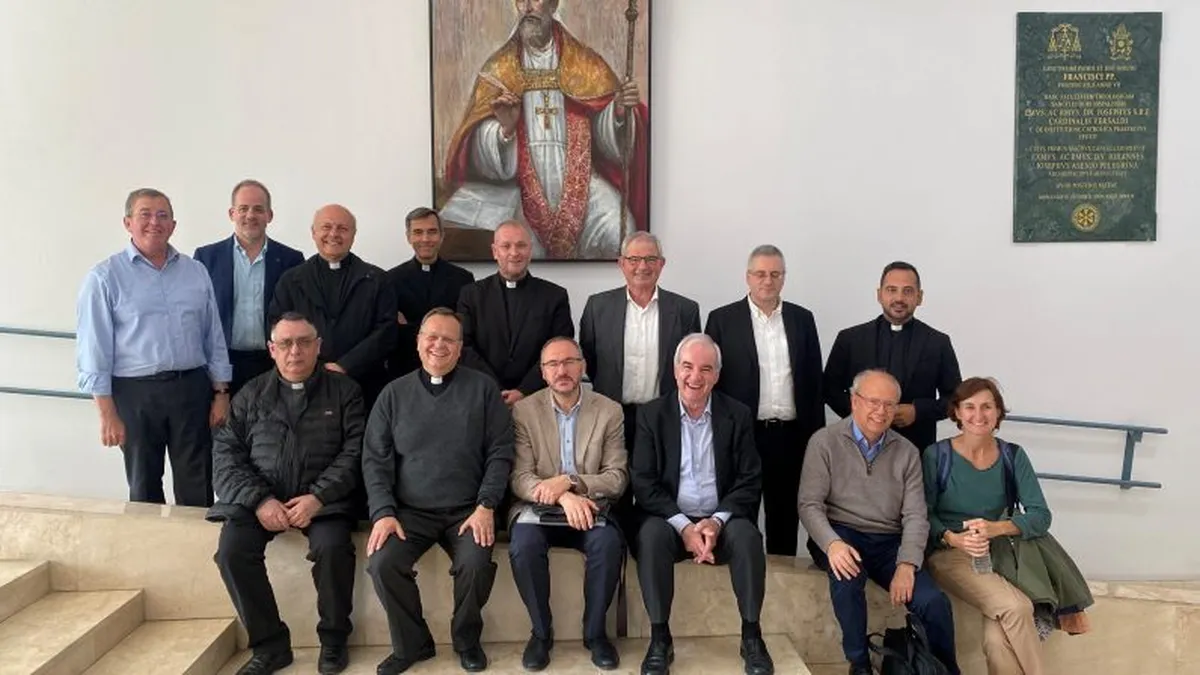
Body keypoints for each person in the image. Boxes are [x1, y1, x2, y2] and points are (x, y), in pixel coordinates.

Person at [208, 312, 364, 675]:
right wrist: (260, 500)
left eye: (304, 342)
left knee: (333, 549)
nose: (296, 351)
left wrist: (318, 497)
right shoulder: (250, 394)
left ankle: (334, 641)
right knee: (232, 552)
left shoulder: (345, 392)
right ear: (272, 349)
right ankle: (270, 646)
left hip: (325, 503)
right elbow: (226, 455)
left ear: (318, 346)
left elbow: (356, 452)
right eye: (286, 343)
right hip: (260, 500)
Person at [363, 308, 514, 674]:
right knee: (382, 563)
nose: (439, 345)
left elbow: (501, 452)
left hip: (468, 510)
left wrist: (486, 506)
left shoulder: (483, 390)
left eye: (449, 339)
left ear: (460, 348)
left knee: (475, 564)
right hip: (409, 513)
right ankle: (412, 644)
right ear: (417, 342)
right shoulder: (392, 394)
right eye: (431, 337)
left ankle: (467, 641)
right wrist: (383, 512)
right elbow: (375, 460)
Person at [439, 0, 649, 259]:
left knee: (619, 228)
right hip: (520, 188)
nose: (527, 7)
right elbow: (477, 150)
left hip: (582, 183)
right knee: (509, 245)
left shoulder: (585, 63)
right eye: (521, 0)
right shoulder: (499, 69)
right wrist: (504, 130)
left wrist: (617, 111)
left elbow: (607, 140)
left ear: (552, 5)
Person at [924, 377, 1091, 675]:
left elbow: (1040, 515)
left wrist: (997, 528)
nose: (979, 415)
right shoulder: (937, 456)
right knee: (1016, 607)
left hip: (1004, 554)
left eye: (987, 406)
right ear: (957, 412)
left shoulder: (1013, 455)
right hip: (951, 555)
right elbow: (923, 514)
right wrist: (953, 538)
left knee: (997, 642)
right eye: (970, 407)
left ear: (999, 412)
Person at [76, 187, 232, 506]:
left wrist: (221, 393)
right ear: (127, 223)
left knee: (197, 481)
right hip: (135, 394)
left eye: (162, 216)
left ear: (173, 225)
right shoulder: (104, 277)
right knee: (144, 485)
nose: (154, 223)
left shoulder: (195, 272)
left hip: (191, 389)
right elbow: (94, 350)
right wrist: (106, 413)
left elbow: (213, 335)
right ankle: (148, 542)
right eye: (144, 215)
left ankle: (193, 541)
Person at [631, 334, 774, 675]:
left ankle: (751, 636)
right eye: (687, 367)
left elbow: (749, 478)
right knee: (650, 537)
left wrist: (716, 521)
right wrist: (684, 527)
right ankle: (660, 638)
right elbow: (644, 482)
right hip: (670, 518)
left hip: (722, 517)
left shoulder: (737, 414)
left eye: (706, 369)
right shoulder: (652, 415)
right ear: (674, 370)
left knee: (748, 538)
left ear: (717, 375)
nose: (695, 377)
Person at [799, 369, 959, 675]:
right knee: (847, 582)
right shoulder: (824, 442)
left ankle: (946, 670)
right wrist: (832, 545)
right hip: (841, 533)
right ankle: (859, 664)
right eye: (873, 401)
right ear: (854, 401)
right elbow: (809, 504)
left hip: (889, 542)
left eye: (889, 404)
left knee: (933, 601)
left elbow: (916, 516)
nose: (881, 411)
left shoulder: (907, 452)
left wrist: (907, 564)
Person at [508, 337, 627, 671]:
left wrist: (572, 481)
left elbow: (617, 477)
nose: (561, 370)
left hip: (590, 508)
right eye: (553, 364)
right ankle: (541, 633)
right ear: (543, 372)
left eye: (569, 362)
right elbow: (519, 476)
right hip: (538, 508)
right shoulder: (524, 411)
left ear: (582, 366)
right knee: (523, 544)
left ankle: (595, 634)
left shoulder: (609, 410)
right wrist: (562, 494)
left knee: (607, 543)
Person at [705, 245, 825, 558]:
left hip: (790, 437)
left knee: (784, 520)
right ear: (748, 277)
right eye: (760, 274)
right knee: (738, 516)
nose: (767, 281)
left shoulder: (802, 319)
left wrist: (816, 441)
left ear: (784, 278)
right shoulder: (722, 320)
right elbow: (711, 383)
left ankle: (780, 584)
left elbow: (814, 383)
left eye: (775, 274)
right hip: (742, 436)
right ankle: (742, 578)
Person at [579, 231, 700, 452]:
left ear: (661, 264)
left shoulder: (685, 310)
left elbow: (691, 367)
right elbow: (590, 360)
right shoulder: (597, 307)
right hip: (611, 415)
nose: (642, 266)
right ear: (621, 263)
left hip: (665, 416)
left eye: (650, 259)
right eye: (634, 259)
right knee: (614, 473)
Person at [268, 204, 397, 409]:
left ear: (353, 235)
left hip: (364, 383)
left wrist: (346, 365)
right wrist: (313, 367)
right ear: (313, 232)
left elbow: (386, 332)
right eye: (326, 227)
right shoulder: (291, 281)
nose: (333, 234)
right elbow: (277, 329)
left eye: (342, 228)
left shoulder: (376, 280)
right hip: (305, 384)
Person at [823, 261, 962, 452]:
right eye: (891, 290)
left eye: (908, 291)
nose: (899, 298)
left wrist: (918, 411)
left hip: (916, 446)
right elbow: (830, 389)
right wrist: (866, 414)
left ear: (919, 297)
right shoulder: (850, 339)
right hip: (857, 446)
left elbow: (956, 397)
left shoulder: (938, 342)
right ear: (879, 294)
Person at [194, 179, 305, 395]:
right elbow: (198, 316)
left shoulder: (291, 260)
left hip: (274, 364)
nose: (250, 215)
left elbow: (298, 315)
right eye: (243, 209)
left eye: (258, 209)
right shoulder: (206, 258)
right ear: (232, 213)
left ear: (269, 215)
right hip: (222, 364)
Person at [457, 221, 573, 404]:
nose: (514, 252)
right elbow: (464, 347)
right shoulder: (471, 295)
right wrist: (495, 389)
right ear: (495, 251)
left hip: (539, 397)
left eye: (521, 245)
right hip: (484, 395)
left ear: (530, 250)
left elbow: (560, 349)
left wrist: (524, 390)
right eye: (506, 246)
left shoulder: (554, 296)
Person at [386, 207, 474, 379]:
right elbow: (390, 332)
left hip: (451, 369)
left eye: (432, 232)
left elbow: (464, 329)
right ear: (408, 237)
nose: (425, 239)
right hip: (404, 370)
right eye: (418, 232)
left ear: (442, 235)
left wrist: (409, 326)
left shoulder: (462, 279)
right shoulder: (390, 280)